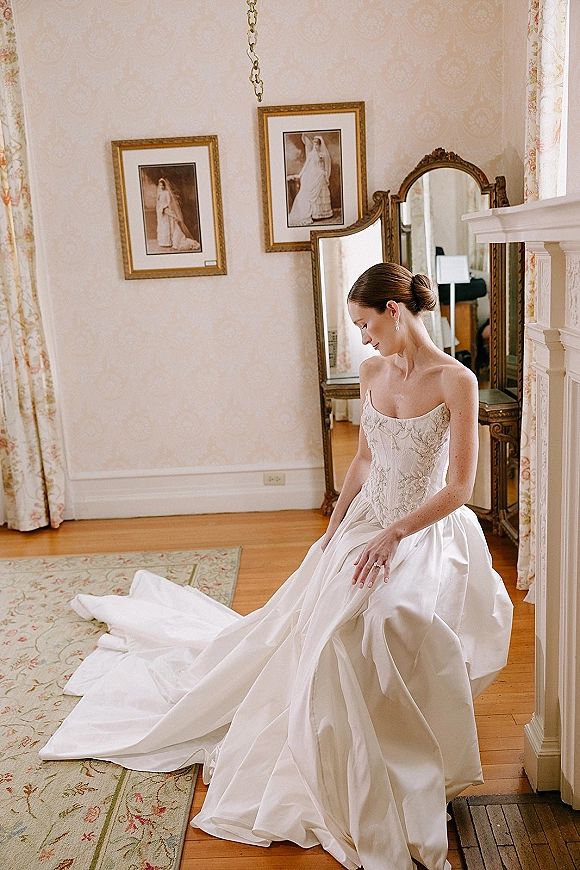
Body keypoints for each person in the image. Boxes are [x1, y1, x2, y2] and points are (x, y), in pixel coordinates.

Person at [39, 263, 513, 870]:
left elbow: (459, 487)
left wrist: (394, 534)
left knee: (389, 617)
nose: (363, 339)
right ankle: (347, 761)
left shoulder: (457, 381)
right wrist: (336, 529)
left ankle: (410, 763)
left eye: (365, 324)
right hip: (370, 522)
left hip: (424, 530)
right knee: (321, 624)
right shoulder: (371, 373)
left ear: (395, 312)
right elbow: (365, 463)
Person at [287, 133, 333, 226]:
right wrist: (300, 174)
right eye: (314, 144)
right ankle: (312, 214)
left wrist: (323, 172)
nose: (316, 146)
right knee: (307, 193)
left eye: (317, 144)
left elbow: (324, 166)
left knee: (321, 193)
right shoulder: (311, 154)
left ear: (320, 145)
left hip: (320, 175)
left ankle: (322, 214)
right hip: (312, 175)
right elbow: (306, 165)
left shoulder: (322, 154)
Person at [155, 177, 201, 252]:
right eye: (160, 185)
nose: (161, 187)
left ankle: (170, 241)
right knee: (163, 225)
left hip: (166, 210)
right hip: (161, 212)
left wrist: (165, 208)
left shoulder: (167, 193)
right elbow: (158, 203)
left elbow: (169, 202)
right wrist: (159, 209)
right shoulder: (159, 193)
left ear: (164, 185)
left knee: (169, 225)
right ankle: (164, 242)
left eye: (162, 185)